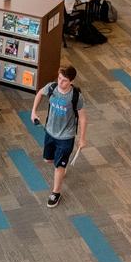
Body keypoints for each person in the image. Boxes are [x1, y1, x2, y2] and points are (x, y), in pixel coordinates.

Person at [30, 65, 87, 207]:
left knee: (58, 167)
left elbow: (83, 118)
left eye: (65, 80)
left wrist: (82, 138)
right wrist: (33, 111)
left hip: (66, 137)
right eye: (59, 78)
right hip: (50, 131)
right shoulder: (52, 87)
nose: (61, 82)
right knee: (48, 160)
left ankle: (56, 193)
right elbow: (39, 94)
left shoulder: (76, 96)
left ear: (71, 81)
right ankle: (62, 164)